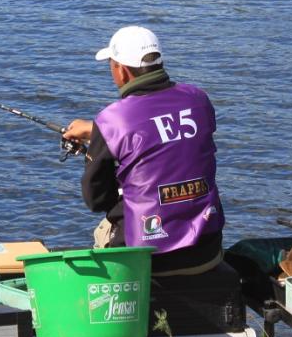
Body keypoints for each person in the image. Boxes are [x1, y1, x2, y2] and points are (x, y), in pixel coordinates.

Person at [63, 26, 225, 276]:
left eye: (111, 65)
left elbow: (97, 200)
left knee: (102, 230)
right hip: (206, 250)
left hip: (145, 260)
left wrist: (99, 144)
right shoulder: (198, 100)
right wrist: (99, 133)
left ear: (122, 70)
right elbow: (162, 132)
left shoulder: (112, 120)